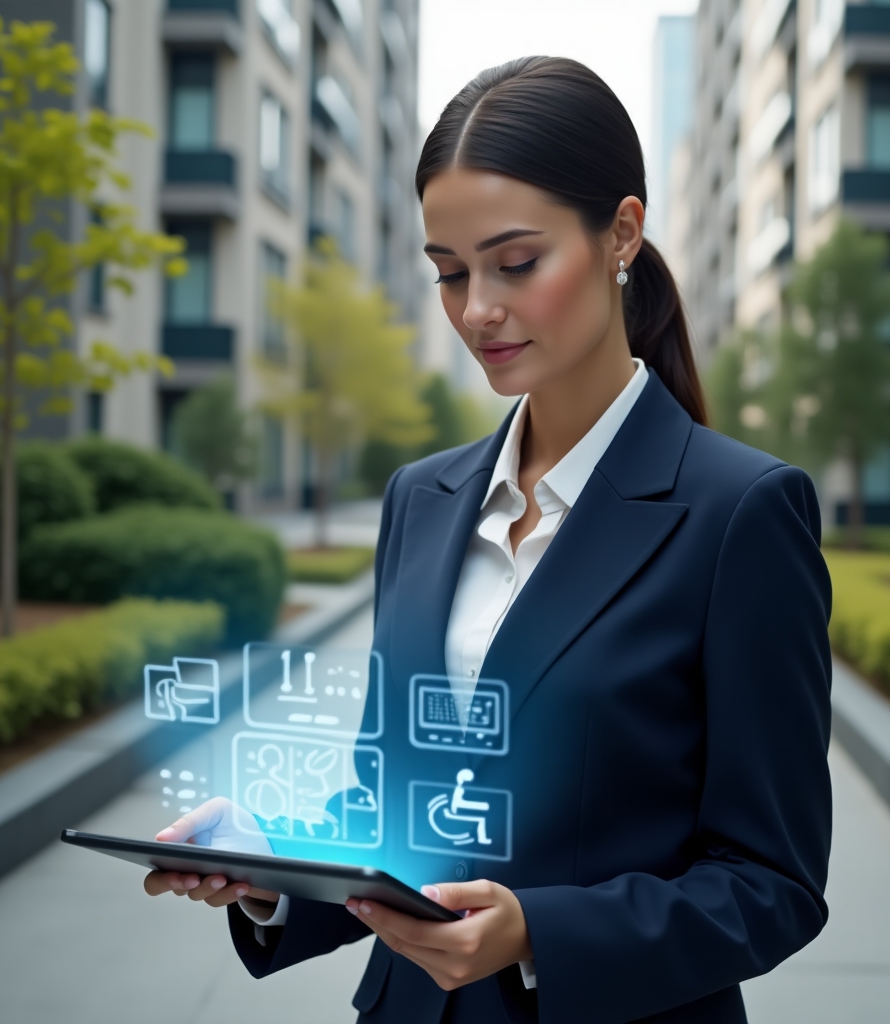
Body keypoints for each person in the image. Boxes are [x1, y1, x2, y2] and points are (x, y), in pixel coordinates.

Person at [144, 57, 832, 1024]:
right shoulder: (421, 500)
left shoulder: (741, 512)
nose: (477, 310)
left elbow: (773, 883)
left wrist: (538, 934)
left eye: (515, 263)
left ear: (621, 234)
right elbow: (392, 808)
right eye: (450, 272)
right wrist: (268, 865)